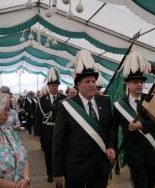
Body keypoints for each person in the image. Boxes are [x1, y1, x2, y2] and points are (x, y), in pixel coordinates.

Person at [52, 49, 117, 188]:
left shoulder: (105, 102)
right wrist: (57, 171)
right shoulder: (67, 106)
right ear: (78, 84)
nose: (92, 84)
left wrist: (111, 145)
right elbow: (58, 140)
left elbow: (111, 127)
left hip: (100, 167)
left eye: (94, 81)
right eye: (87, 81)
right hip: (76, 167)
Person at [113, 54, 155, 188]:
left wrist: (142, 125)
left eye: (141, 82)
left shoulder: (150, 101)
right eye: (135, 82)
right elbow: (113, 129)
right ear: (128, 84)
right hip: (134, 156)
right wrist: (112, 148)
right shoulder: (119, 106)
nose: (139, 85)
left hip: (153, 153)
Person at [35, 67, 67, 183]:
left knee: (61, 151)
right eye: (53, 86)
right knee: (48, 153)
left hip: (61, 130)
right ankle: (50, 173)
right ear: (48, 87)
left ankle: (60, 172)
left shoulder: (64, 99)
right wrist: (37, 133)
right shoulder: (41, 100)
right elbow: (38, 117)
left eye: (56, 86)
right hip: (47, 130)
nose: (55, 87)